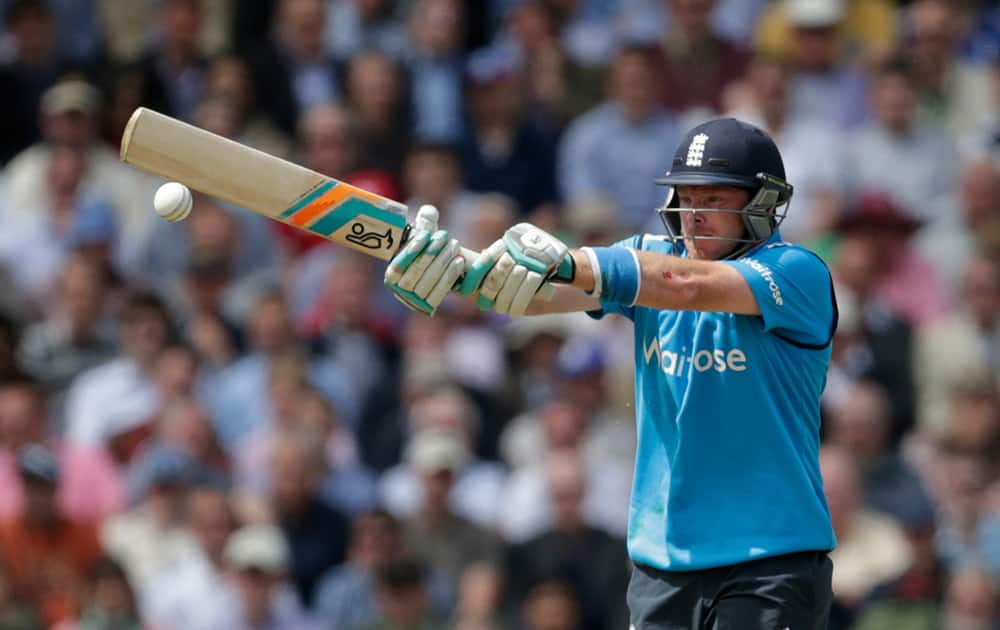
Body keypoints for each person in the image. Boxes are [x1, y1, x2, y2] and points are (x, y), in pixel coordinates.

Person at [385, 117, 838, 628]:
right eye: (687, 198)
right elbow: (535, 294)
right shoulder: (652, 258)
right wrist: (455, 273)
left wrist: (569, 260)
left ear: (761, 203)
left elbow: (682, 285)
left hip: (769, 558)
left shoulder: (796, 272)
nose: (694, 216)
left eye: (715, 200)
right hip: (663, 561)